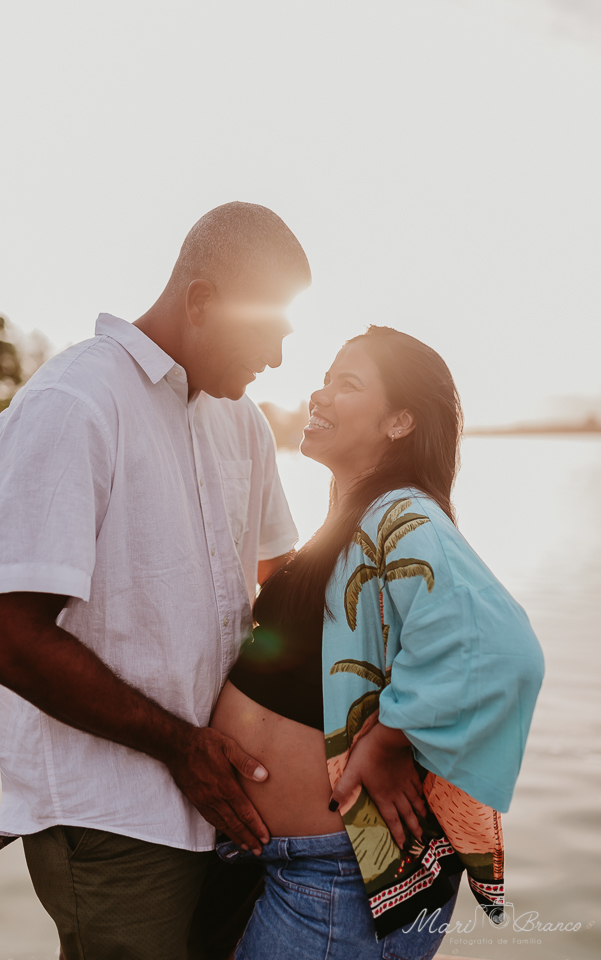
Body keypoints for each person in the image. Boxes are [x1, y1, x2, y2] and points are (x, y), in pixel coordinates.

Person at [0, 202, 311, 960]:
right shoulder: (74, 404)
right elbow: (3, 639)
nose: (279, 360)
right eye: (268, 331)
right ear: (201, 302)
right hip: (113, 823)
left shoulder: (241, 420)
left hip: (229, 806)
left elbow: (281, 586)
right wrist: (180, 747)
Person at [208, 325, 545, 960]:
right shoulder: (354, 519)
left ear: (399, 422)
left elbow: (501, 651)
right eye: (327, 377)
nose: (321, 393)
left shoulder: (403, 515)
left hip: (335, 879)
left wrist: (391, 740)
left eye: (348, 383)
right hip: (302, 868)